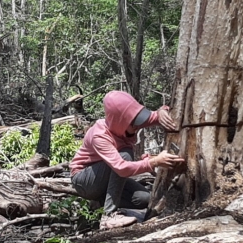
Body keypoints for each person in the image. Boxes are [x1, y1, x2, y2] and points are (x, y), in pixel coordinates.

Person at [69, 90, 184, 228]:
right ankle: (109, 216)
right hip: (84, 181)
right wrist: (154, 162)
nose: (137, 126)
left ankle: (100, 203)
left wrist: (162, 111)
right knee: (125, 154)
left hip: (105, 179)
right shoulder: (99, 135)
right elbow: (121, 168)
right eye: (133, 123)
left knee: (144, 199)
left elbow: (157, 116)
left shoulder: (129, 122)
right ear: (120, 122)